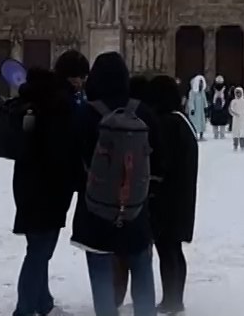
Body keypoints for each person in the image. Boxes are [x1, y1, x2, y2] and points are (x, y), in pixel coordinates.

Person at [70, 52, 158, 316]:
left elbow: (72, 159)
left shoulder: (84, 114)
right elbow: (161, 160)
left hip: (94, 210)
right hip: (136, 209)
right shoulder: (144, 112)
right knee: (142, 267)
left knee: (100, 273)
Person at [7, 64, 81, 316]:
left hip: (26, 182)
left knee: (37, 246)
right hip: (51, 185)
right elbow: (65, 149)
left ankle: (42, 300)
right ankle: (24, 307)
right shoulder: (59, 105)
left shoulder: (26, 102)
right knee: (39, 251)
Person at [146, 74, 198, 313]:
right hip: (181, 195)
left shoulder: (167, 123)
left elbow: (162, 161)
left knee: (167, 249)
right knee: (173, 249)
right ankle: (175, 297)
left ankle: (172, 299)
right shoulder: (182, 120)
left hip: (167, 196)